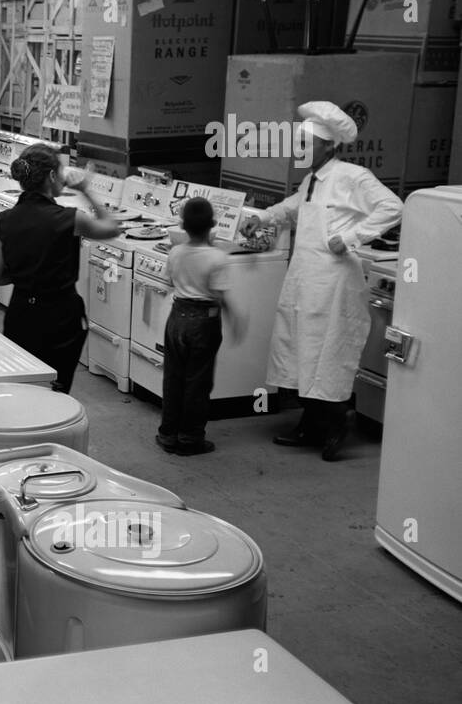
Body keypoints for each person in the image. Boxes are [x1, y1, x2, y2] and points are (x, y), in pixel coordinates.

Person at [240, 100, 403, 461]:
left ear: (329, 145)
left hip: (333, 280)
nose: (299, 150)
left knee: (328, 353)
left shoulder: (351, 176)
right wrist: (264, 217)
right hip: (305, 277)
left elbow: (393, 207)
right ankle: (309, 424)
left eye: (305, 143)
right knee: (301, 351)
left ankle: (335, 424)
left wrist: (349, 238)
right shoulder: (312, 179)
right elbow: (295, 206)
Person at [0, 144, 120, 394]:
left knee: (23, 388)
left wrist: (25, 271)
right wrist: (85, 191)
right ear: (51, 176)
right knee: (56, 390)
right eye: (60, 172)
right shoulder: (70, 218)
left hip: (21, 313)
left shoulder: (4, 219)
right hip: (60, 315)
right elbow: (112, 228)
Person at [157, 198, 243, 457]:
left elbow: (167, 282)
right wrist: (235, 319)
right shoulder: (217, 258)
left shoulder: (176, 252)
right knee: (197, 382)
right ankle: (190, 438)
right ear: (213, 225)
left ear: (183, 226)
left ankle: (168, 434)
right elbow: (220, 295)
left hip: (177, 317)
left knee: (173, 378)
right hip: (204, 321)